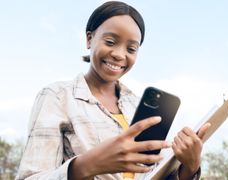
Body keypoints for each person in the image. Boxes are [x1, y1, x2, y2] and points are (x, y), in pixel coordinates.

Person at [16, 1, 210, 180]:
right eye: (110, 42)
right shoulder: (57, 97)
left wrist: (190, 167)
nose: (119, 54)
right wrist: (87, 165)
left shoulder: (136, 105)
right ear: (89, 39)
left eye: (131, 49)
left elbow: (154, 174)